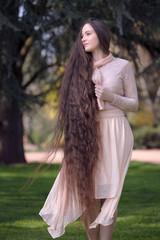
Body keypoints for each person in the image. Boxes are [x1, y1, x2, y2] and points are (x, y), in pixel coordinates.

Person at [39, 18, 138, 240]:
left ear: (101, 36)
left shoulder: (122, 66)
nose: (82, 38)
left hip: (115, 130)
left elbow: (134, 104)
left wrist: (110, 96)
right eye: (81, 34)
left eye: (87, 34)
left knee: (110, 194)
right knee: (88, 192)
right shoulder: (79, 68)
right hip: (87, 133)